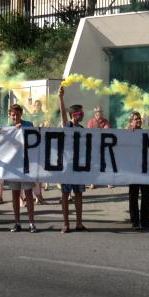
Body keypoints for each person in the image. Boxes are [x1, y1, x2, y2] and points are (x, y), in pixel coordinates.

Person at [58, 86, 88, 233]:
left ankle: (79, 222)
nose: (82, 114)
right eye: (80, 112)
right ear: (74, 114)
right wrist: (61, 98)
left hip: (79, 165)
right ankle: (65, 223)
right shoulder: (67, 126)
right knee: (65, 194)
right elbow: (63, 115)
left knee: (79, 194)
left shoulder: (83, 129)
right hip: (67, 165)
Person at [7, 104, 37, 232]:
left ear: (21, 115)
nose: (15, 117)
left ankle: (31, 223)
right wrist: (13, 131)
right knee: (15, 194)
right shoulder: (7, 128)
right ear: (10, 115)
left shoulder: (28, 125)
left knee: (29, 193)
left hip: (27, 164)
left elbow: (35, 139)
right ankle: (17, 222)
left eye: (17, 114)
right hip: (13, 165)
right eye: (13, 115)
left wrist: (21, 129)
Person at [125, 111, 149, 230]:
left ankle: (146, 221)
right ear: (130, 122)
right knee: (134, 196)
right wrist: (127, 132)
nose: (138, 121)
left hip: (146, 169)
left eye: (139, 119)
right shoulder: (127, 133)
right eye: (135, 119)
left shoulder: (145, 133)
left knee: (147, 195)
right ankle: (135, 221)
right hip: (133, 169)